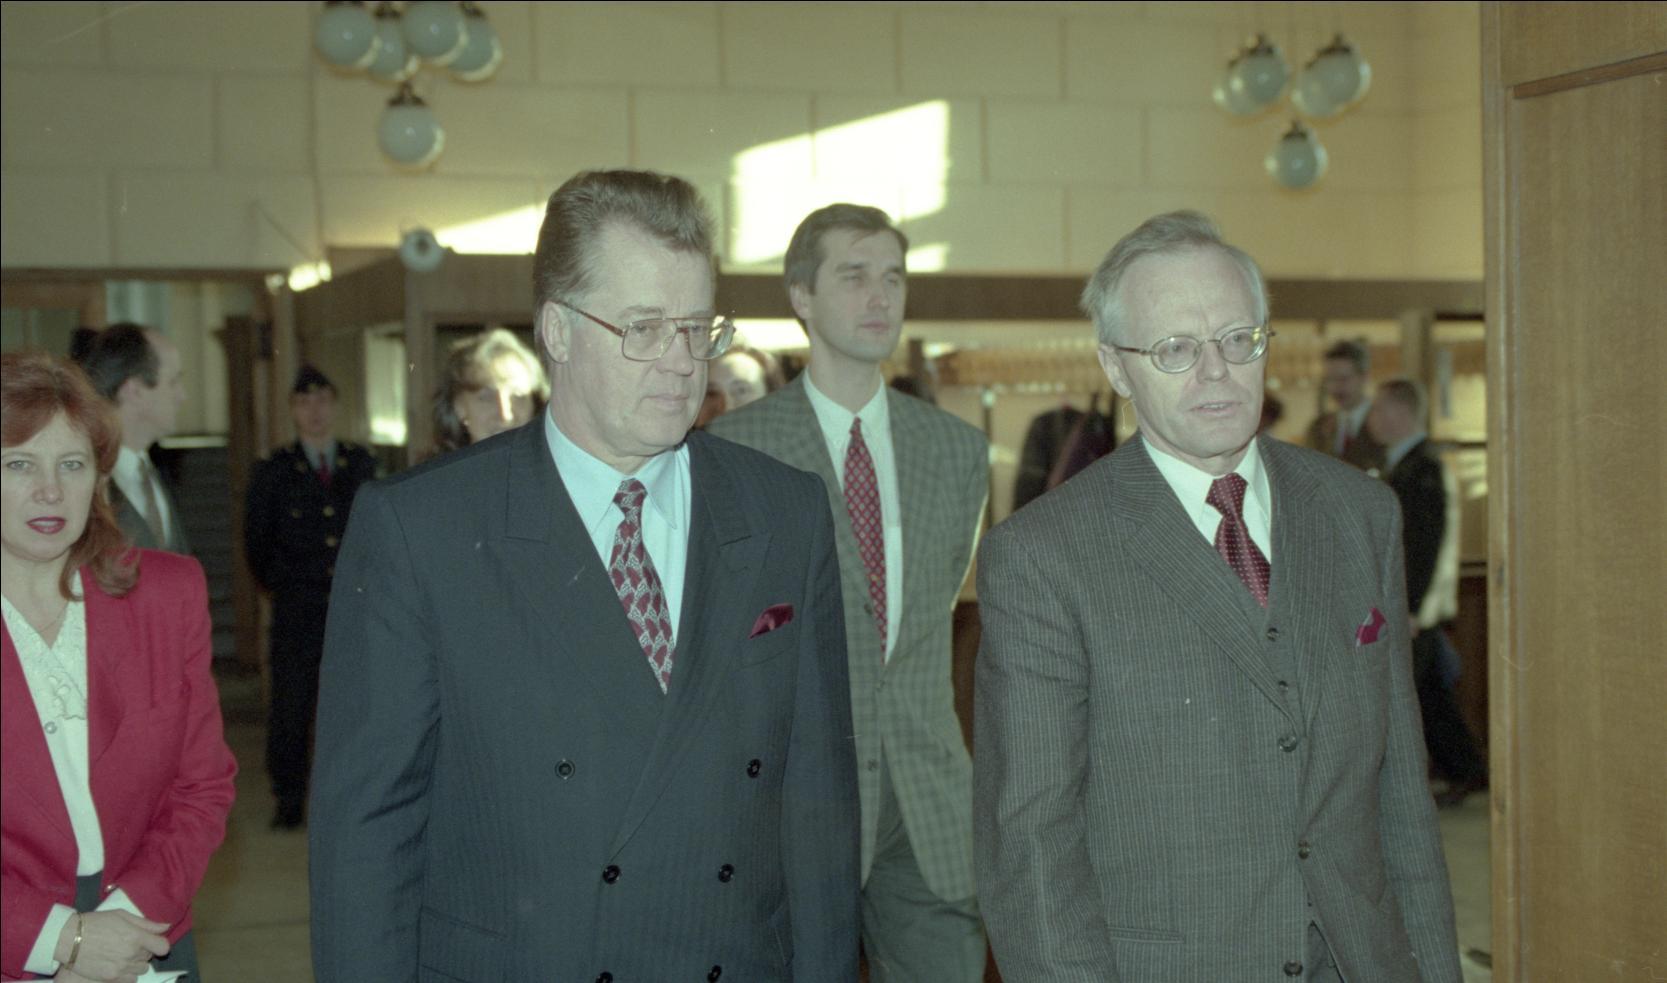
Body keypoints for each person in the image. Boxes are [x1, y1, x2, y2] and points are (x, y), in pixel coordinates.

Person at [309, 169, 861, 981]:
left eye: (696, 327)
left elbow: (817, 806)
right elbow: (366, 836)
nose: (682, 363)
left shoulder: (783, 511)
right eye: (643, 328)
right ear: (558, 332)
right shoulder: (423, 528)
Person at [973, 211, 1461, 981]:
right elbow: (1029, 845)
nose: (1215, 371)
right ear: (1115, 366)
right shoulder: (1043, 555)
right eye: (1174, 348)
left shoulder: (1359, 513)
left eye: (1238, 339)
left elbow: (1399, 789)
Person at [708, 203, 991, 981]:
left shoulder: (957, 450)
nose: (879, 296)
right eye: (854, 275)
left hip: (928, 804)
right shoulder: (737, 449)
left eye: (893, 277)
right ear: (801, 295)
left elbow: (933, 615)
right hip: (794, 802)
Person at [1, 352, 236, 982]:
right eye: (19, 463)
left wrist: (117, 932)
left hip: (144, 936)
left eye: (72, 464)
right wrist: (63, 940)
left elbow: (201, 789)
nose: (50, 490)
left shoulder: (165, 594)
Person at [242, 365, 377, 830]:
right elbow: (257, 544)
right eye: (304, 402)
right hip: (298, 608)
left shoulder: (361, 464)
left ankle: (355, 795)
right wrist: (286, 585)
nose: (314, 411)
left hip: (353, 609)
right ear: (292, 411)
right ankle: (289, 797)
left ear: (335, 405)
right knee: (292, 706)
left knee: (357, 707)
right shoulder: (274, 471)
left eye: (322, 400)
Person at [1366, 378, 1488, 808]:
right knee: (1430, 694)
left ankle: (1458, 772)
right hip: (1413, 607)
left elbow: (1421, 545)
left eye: (1378, 410)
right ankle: (1467, 770)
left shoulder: (1421, 467)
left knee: (1413, 696)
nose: (1372, 420)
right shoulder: (1406, 464)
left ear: (1399, 413)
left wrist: (1411, 606)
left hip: (1414, 607)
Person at [73, 325, 191, 554]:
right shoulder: (84, 479)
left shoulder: (155, 472)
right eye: (173, 381)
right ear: (134, 390)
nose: (182, 396)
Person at [431, 327, 550, 456]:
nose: (505, 415)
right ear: (458, 407)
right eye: (487, 397)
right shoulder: (437, 469)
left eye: (518, 395)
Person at [1304, 338, 1386, 473]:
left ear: (1364, 377)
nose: (1335, 387)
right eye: (1329, 379)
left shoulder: (1385, 423)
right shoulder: (1318, 428)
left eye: (1344, 379)